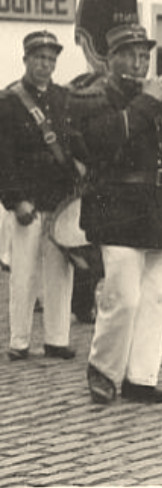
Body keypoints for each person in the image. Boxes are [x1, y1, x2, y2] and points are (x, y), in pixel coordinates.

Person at [75, 23, 162, 404]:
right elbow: (105, 139)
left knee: (161, 296)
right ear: (111, 59)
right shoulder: (95, 95)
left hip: (158, 206)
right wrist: (148, 100)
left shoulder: (155, 97)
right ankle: (103, 369)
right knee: (122, 296)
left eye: (144, 55)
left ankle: (141, 377)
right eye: (131, 54)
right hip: (117, 204)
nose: (140, 62)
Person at [0, 30, 81, 361]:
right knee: (23, 274)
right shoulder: (9, 101)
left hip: (59, 199)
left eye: (50, 59)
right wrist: (15, 199)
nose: (45, 65)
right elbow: (3, 156)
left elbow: (73, 143)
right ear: (26, 60)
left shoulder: (63, 98)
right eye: (39, 58)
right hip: (27, 200)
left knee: (60, 273)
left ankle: (56, 338)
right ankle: (19, 341)